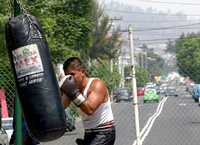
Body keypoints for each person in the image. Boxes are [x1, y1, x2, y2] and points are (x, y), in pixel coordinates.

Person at [59, 57, 116, 145]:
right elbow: (61, 107)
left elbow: (89, 109)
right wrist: (61, 90)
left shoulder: (96, 84)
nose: (70, 78)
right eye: (68, 76)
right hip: (89, 133)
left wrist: (73, 93)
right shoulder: (73, 88)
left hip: (104, 132)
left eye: (72, 74)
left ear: (82, 71)